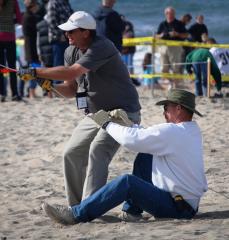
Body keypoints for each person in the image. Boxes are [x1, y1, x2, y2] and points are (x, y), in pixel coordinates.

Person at [18, 11, 141, 206]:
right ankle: (76, 207)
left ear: (86, 32)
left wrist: (35, 71)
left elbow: (73, 71)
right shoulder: (70, 51)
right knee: (71, 153)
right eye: (67, 31)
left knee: (97, 150)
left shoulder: (102, 45)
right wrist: (49, 86)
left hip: (123, 112)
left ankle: (88, 207)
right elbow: (70, 89)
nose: (67, 35)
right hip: (96, 115)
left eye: (71, 31)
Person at [41, 88, 208, 225]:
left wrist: (107, 124)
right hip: (185, 204)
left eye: (166, 108)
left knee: (127, 182)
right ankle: (131, 212)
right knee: (146, 154)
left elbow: (131, 140)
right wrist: (130, 124)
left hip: (178, 207)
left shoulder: (173, 131)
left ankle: (76, 214)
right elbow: (148, 138)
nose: (164, 113)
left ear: (178, 108)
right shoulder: (191, 130)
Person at [156, 7, 189, 87]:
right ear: (165, 14)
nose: (169, 15)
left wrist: (177, 34)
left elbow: (186, 35)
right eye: (168, 13)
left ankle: (176, 84)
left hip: (175, 47)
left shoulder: (179, 23)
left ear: (174, 14)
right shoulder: (162, 24)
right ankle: (168, 83)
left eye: (171, 13)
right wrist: (161, 35)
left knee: (175, 67)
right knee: (164, 67)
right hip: (163, 47)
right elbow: (156, 36)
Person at [0, 0, 22, 102]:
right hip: (10, 37)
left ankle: (2, 93)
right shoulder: (13, 1)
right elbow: (19, 18)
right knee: (11, 67)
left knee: (1, 67)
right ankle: (14, 93)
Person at [45, 0, 73, 82]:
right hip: (59, 40)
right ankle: (58, 91)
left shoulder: (65, 2)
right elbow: (51, 22)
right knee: (59, 66)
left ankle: (66, 88)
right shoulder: (53, 2)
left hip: (68, 39)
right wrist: (61, 35)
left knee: (68, 66)